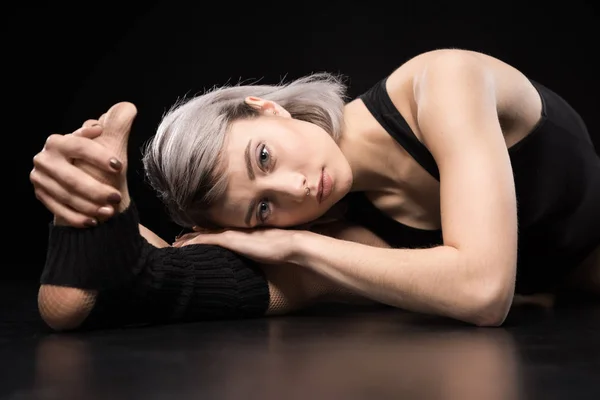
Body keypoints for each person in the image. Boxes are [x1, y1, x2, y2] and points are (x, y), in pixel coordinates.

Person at [31, 48, 600, 331]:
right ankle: (97, 225)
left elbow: (483, 293)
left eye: (264, 156)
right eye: (262, 209)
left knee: (312, 261)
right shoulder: (341, 225)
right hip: (547, 286)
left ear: (268, 107)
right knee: (186, 281)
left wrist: (293, 244)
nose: (296, 189)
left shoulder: (441, 81)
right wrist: (99, 212)